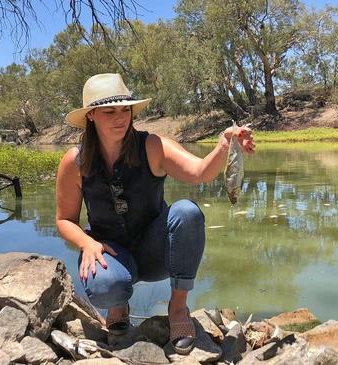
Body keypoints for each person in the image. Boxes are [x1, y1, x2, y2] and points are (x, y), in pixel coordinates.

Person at [55, 73, 255, 354]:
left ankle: (177, 307)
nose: (120, 117)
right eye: (109, 111)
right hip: (109, 251)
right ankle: (118, 306)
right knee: (108, 285)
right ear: (91, 116)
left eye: (126, 109)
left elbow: (200, 172)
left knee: (187, 212)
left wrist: (225, 144)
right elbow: (64, 220)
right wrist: (87, 243)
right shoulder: (75, 161)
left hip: (156, 250)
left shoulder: (152, 146)